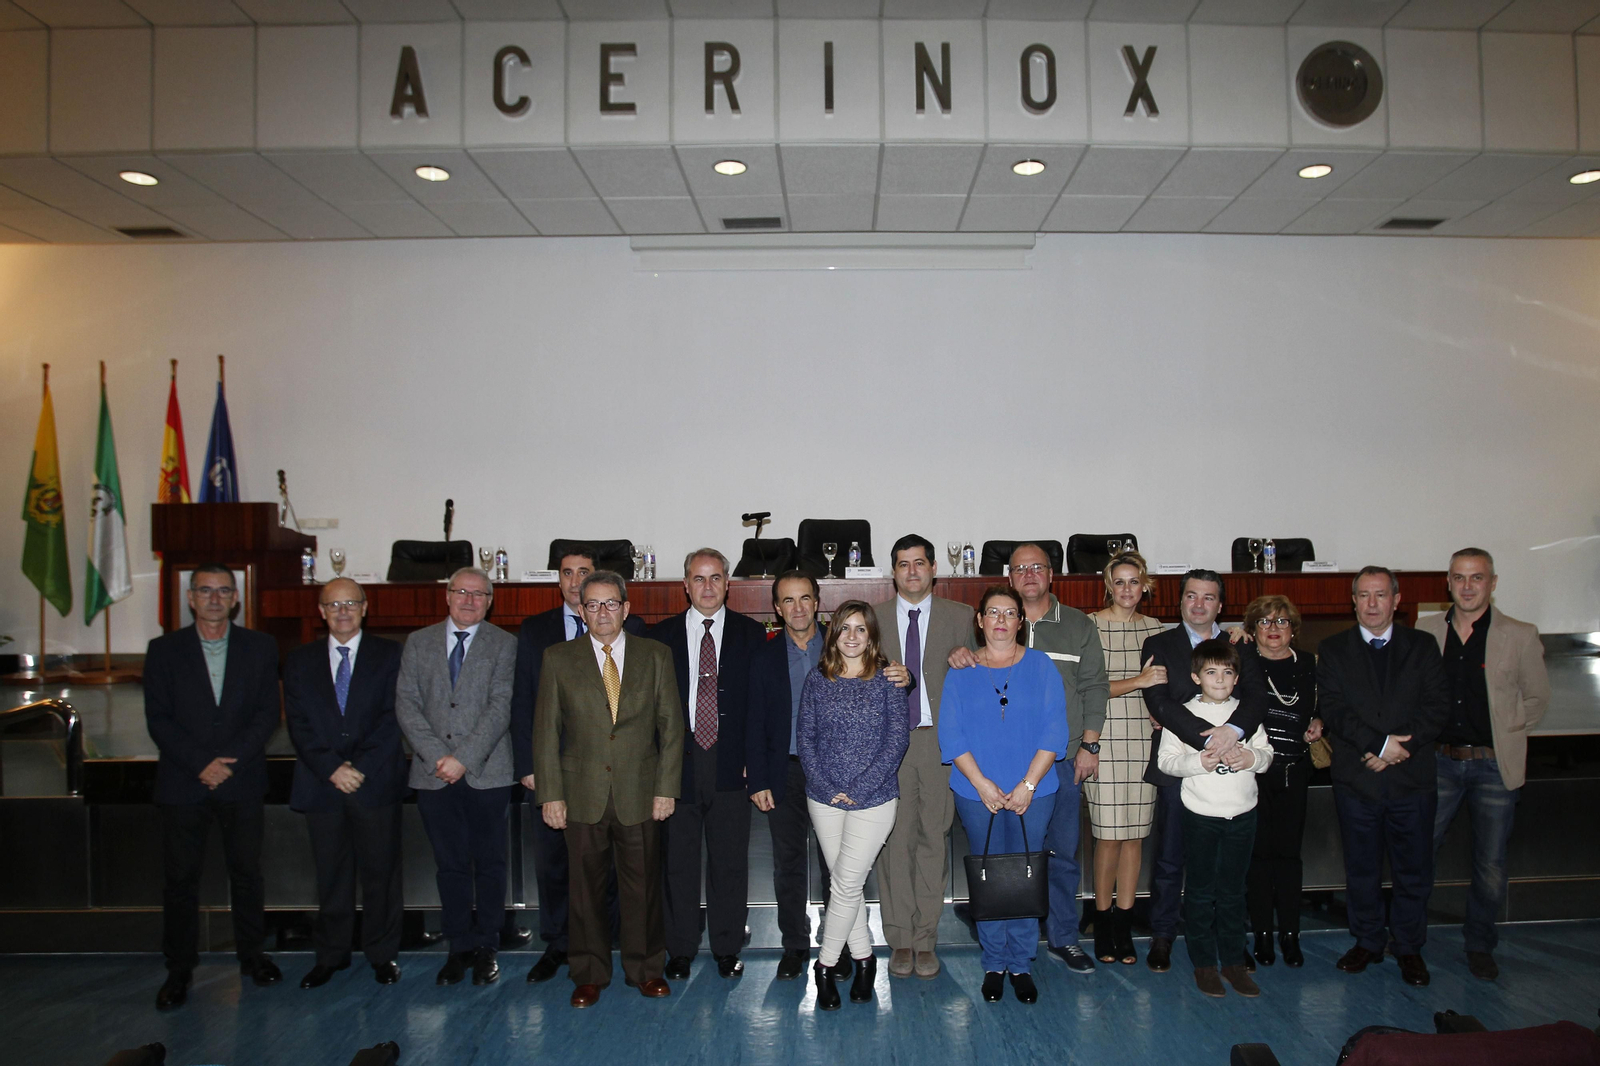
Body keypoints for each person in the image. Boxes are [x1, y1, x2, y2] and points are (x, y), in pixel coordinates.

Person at [948, 543, 1106, 973]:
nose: (1029, 574)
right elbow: (958, 707)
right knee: (1001, 869)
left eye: (1037, 567)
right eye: (1020, 569)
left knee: (1055, 859)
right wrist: (982, 783)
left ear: (1051, 574)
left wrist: (1089, 746)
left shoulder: (1077, 626)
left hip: (1058, 766)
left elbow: (1094, 686)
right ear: (982, 620)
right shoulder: (971, 654)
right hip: (986, 779)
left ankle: (1061, 939)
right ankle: (999, 953)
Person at [533, 570, 683, 1007]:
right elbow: (545, 733)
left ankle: (646, 969)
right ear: (581, 611)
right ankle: (588, 973)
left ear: (626, 607)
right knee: (584, 893)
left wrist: (665, 789)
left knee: (643, 891)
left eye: (611, 603)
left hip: (640, 794)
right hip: (580, 797)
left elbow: (671, 727)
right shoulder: (558, 658)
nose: (602, 612)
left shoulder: (655, 655)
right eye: (593, 604)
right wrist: (551, 795)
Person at [144, 563, 284, 1011]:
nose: (215, 599)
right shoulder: (164, 650)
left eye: (224, 591)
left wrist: (231, 761)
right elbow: (158, 718)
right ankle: (179, 970)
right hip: (184, 782)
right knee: (181, 881)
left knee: (246, 876)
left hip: (240, 780)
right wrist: (201, 763)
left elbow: (267, 713)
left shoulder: (260, 647)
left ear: (235, 599)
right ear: (190, 598)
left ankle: (252, 957)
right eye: (205, 591)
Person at [509, 546, 644, 984]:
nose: (573, 581)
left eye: (582, 573)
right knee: (558, 869)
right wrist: (535, 770)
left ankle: (616, 946)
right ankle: (560, 946)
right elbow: (527, 705)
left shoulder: (638, 635)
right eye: (566, 574)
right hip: (560, 773)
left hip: (623, 779)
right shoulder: (536, 633)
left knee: (620, 875)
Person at [1418, 548, 1549, 981]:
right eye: (1459, 577)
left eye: (1477, 578)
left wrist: (1506, 731)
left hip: (1494, 767)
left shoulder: (1520, 634)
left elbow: (1537, 698)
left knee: (1490, 864)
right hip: (1438, 764)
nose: (1468, 586)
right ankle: (1409, 942)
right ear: (1448, 583)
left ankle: (1479, 945)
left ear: (1493, 583)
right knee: (1419, 854)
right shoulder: (1425, 631)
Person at [650, 548, 780, 980]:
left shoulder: (752, 634)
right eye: (698, 579)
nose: (707, 587)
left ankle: (726, 947)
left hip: (731, 763)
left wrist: (754, 760)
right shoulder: (660, 637)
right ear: (685, 585)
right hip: (677, 765)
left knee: (729, 863)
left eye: (716, 578)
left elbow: (760, 706)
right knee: (678, 864)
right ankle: (681, 949)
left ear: (728, 583)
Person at [1318, 566, 1447, 988]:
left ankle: (1409, 947)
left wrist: (1396, 750)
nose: (1372, 604)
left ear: (1396, 599)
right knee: (1362, 869)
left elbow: (1436, 707)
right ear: (1352, 601)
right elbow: (1333, 710)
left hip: (1412, 779)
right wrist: (1377, 745)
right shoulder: (1333, 649)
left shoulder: (1423, 645)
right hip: (1358, 779)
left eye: (1380, 595)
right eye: (1363, 595)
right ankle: (1368, 941)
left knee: (1414, 870)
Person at [940, 585, 1069, 1004]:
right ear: (979, 620)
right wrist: (982, 784)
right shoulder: (961, 671)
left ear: (1021, 622)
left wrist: (1028, 785)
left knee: (1026, 874)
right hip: (978, 793)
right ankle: (994, 962)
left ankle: (1022, 963)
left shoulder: (1042, 665)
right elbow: (952, 735)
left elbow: (1055, 730)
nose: (1000, 620)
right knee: (991, 875)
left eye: (1009, 613)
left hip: (1036, 790)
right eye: (992, 612)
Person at [394, 566, 518, 987]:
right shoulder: (418, 642)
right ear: (446, 596)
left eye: (479, 594)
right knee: (449, 867)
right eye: (461, 592)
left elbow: (502, 706)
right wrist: (438, 757)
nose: (469, 600)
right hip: (433, 775)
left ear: (490, 601)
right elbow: (407, 705)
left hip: (487, 772)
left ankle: (487, 947)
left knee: (490, 864)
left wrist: (463, 758)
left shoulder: (505, 645)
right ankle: (457, 947)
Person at [1141, 569, 1267, 974]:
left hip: (1232, 773)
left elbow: (1257, 698)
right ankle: (1163, 935)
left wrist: (1230, 733)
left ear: (1221, 604)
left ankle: (1229, 941)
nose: (1199, 604)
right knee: (1170, 858)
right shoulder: (1158, 643)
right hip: (1184, 767)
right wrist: (1207, 739)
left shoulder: (1238, 643)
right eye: (1191, 596)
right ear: (1179, 601)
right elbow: (1160, 702)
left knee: (1228, 867)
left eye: (1209, 597)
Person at [283, 578, 407, 990]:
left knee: (381, 875)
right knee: (331, 876)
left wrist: (361, 767)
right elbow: (298, 724)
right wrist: (332, 768)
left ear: (365, 607)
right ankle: (330, 956)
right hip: (322, 785)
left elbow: (395, 717)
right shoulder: (299, 660)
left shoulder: (390, 654)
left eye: (350, 603)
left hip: (374, 784)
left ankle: (382, 955)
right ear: (321, 611)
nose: (342, 611)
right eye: (333, 605)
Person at [871, 533, 977, 979]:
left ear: (934, 568)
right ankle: (898, 938)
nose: (911, 571)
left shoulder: (963, 617)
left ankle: (926, 938)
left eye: (919, 563)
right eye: (902, 564)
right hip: (888, 746)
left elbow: (985, 673)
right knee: (895, 843)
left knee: (934, 839)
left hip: (941, 743)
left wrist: (967, 656)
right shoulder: (870, 619)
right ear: (892, 572)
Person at [797, 600, 911, 1011]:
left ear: (871, 635)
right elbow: (805, 740)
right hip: (824, 799)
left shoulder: (888, 680)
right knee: (850, 884)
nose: (851, 636)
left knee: (844, 884)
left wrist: (860, 788)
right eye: (844, 628)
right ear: (833, 634)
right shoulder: (817, 679)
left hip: (875, 799)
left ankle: (824, 967)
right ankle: (864, 962)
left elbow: (897, 740)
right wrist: (827, 786)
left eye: (860, 629)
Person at [1156, 639, 1274, 999]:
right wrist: (1199, 763)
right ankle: (1204, 963)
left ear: (1237, 678)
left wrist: (1250, 759)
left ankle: (1234, 964)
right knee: (1201, 890)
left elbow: (1267, 755)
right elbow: (1167, 761)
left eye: (1227, 672)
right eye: (1211, 672)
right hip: (1201, 816)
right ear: (1196, 677)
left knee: (1233, 891)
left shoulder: (1246, 715)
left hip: (1242, 815)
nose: (1220, 679)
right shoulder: (1183, 714)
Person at [747, 570, 830, 980]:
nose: (798, 608)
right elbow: (754, 722)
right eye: (788, 601)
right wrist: (759, 779)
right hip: (786, 772)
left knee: (838, 865)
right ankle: (795, 945)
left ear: (817, 602)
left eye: (805, 598)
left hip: (837, 774)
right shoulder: (763, 657)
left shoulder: (843, 646)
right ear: (777, 609)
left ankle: (840, 945)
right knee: (789, 863)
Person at [1085, 551, 1165, 966]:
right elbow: (1090, 688)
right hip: (1104, 740)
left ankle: (1124, 923)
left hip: (1143, 740)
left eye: (1134, 582)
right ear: (1108, 586)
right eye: (1120, 582)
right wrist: (1139, 681)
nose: (1127, 589)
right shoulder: (1091, 626)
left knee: (1135, 836)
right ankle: (1101, 922)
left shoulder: (1156, 629)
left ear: (1145, 585)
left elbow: (1170, 684)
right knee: (1108, 836)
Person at [1240, 594, 1320, 970]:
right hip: (1253, 773)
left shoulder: (1310, 664)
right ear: (1252, 630)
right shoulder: (1242, 664)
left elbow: (1324, 706)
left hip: (1294, 771)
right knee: (1257, 858)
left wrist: (1321, 722)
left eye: (1282, 622)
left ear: (1294, 630)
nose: (1274, 629)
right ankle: (1262, 935)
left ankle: (1290, 934)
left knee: (1288, 858)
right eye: (1265, 623)